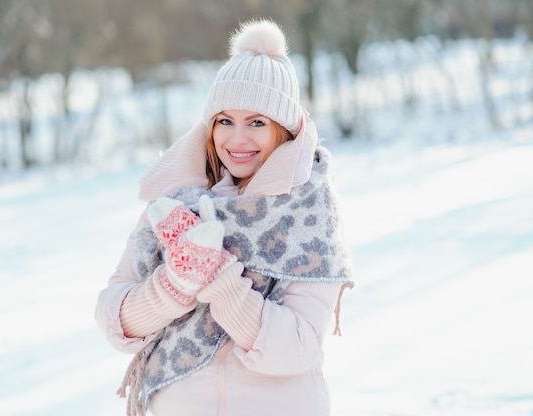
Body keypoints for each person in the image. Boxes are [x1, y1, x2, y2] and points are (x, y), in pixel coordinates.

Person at [95, 18, 354, 416]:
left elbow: (297, 348)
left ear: (284, 130)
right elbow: (115, 316)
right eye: (224, 121)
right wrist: (174, 285)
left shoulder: (307, 211)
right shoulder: (178, 201)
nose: (237, 140)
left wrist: (220, 279)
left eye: (256, 122)